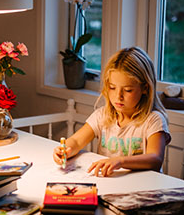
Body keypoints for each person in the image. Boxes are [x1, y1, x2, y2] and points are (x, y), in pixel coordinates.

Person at [53, 47, 171, 176]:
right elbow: (76, 141)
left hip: (143, 188)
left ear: (145, 88)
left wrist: (120, 161)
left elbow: (155, 159)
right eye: (112, 88)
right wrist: (64, 150)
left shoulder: (153, 120)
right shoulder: (102, 115)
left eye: (127, 90)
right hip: (110, 184)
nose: (118, 96)